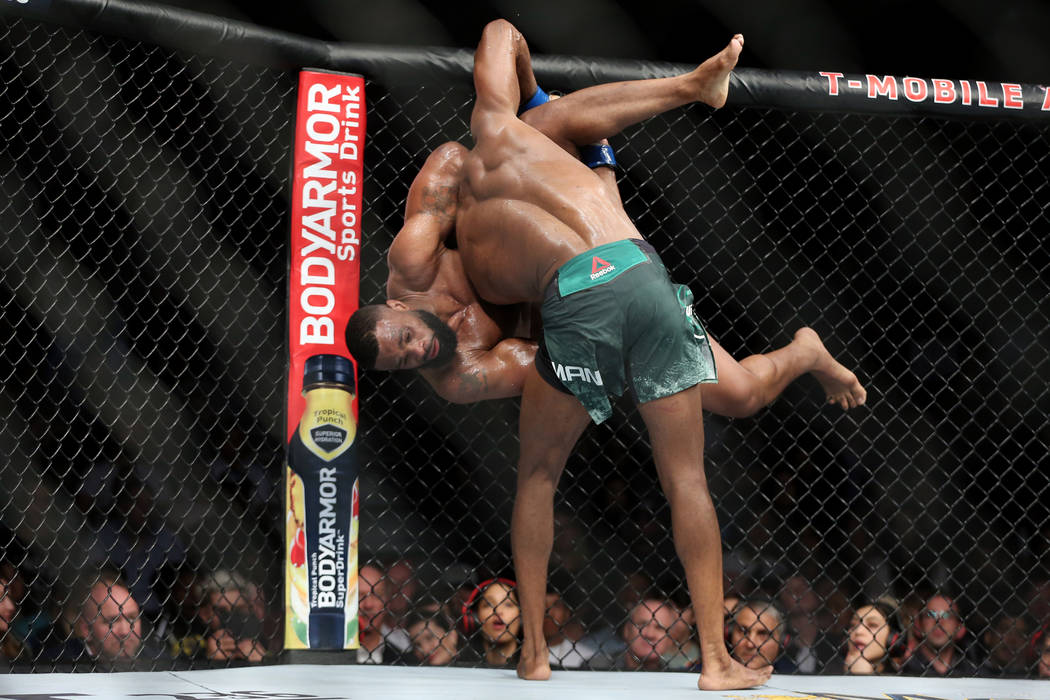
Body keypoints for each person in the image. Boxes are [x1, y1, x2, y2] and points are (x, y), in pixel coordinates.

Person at [346, 47, 866, 420]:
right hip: (575, 309)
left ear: (397, 310)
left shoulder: (415, 260)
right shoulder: (459, 376)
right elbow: (564, 364)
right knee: (741, 398)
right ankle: (807, 353)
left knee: (513, 135)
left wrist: (531, 124)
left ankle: (684, 88)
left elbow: (454, 158)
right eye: (403, 363)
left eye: (406, 339)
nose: (415, 354)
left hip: (537, 219)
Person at [899, 593, 978, 677]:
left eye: (947, 615)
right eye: (931, 614)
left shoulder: (975, 673)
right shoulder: (902, 670)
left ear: (960, 629)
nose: (939, 622)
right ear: (918, 626)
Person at [620, 596, 694, 670]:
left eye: (659, 628)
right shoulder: (608, 671)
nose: (650, 634)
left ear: (671, 639)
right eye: (642, 625)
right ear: (627, 630)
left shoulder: (672, 677)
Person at [461, 578, 521, 667]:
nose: (498, 611)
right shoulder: (460, 668)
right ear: (475, 617)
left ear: (521, 616)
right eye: (488, 604)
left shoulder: (545, 669)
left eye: (508, 604)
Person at [726, 599, 797, 674]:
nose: (750, 644)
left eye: (763, 634)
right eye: (744, 632)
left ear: (783, 640)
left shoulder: (794, 677)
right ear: (729, 634)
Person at [840, 600, 903, 674]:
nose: (858, 631)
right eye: (853, 625)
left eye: (872, 625)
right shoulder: (827, 672)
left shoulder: (906, 679)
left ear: (892, 637)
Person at [403, 599, 462, 666]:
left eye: (429, 638)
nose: (425, 650)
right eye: (417, 645)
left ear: (452, 635)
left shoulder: (474, 667)